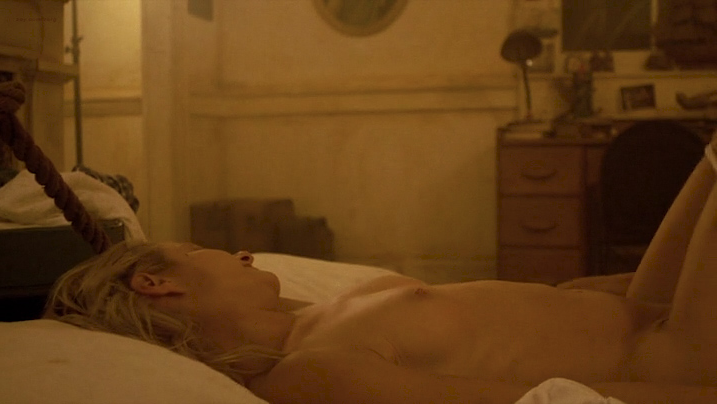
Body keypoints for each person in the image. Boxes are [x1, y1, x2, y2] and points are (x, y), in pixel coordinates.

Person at [44, 142, 717, 404]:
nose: (243, 254)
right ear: (157, 283)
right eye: (201, 252)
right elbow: (521, 399)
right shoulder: (308, 372)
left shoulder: (312, 318)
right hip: (674, 358)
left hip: (641, 306)